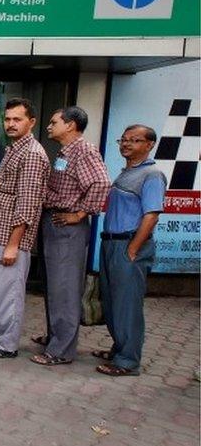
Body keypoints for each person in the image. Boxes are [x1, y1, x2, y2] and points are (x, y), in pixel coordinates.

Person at [0, 98, 50, 359]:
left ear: (31, 122)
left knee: (10, 293)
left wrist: (14, 244)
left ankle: (7, 344)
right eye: (8, 119)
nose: (11, 124)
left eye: (18, 119)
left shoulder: (32, 154)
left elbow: (27, 203)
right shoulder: (13, 148)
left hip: (11, 238)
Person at [31, 106, 110, 366]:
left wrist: (80, 214)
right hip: (54, 222)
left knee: (64, 289)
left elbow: (101, 183)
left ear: (71, 125)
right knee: (54, 287)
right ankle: (57, 336)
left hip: (68, 227)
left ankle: (61, 350)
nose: (49, 126)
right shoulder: (65, 153)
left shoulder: (84, 151)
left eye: (54, 122)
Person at [95, 125, 166, 377]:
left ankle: (128, 361)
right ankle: (119, 348)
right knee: (112, 301)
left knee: (127, 305)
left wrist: (133, 249)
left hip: (129, 245)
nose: (126, 144)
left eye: (134, 140)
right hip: (111, 243)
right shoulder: (127, 172)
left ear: (149, 145)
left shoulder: (152, 175)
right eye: (123, 140)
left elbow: (151, 216)